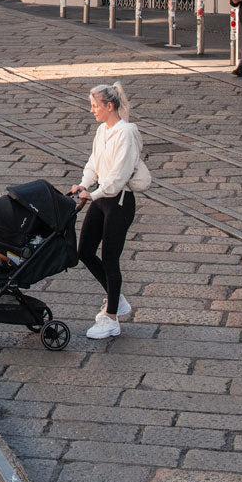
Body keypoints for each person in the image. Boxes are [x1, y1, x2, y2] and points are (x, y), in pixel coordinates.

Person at [70, 83, 147, 340]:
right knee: (85, 251)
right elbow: (94, 162)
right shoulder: (102, 130)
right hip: (102, 198)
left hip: (119, 202)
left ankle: (112, 319)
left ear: (109, 106)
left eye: (95, 106)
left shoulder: (125, 133)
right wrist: (84, 183)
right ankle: (118, 299)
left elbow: (118, 175)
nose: (92, 110)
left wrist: (93, 194)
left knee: (111, 258)